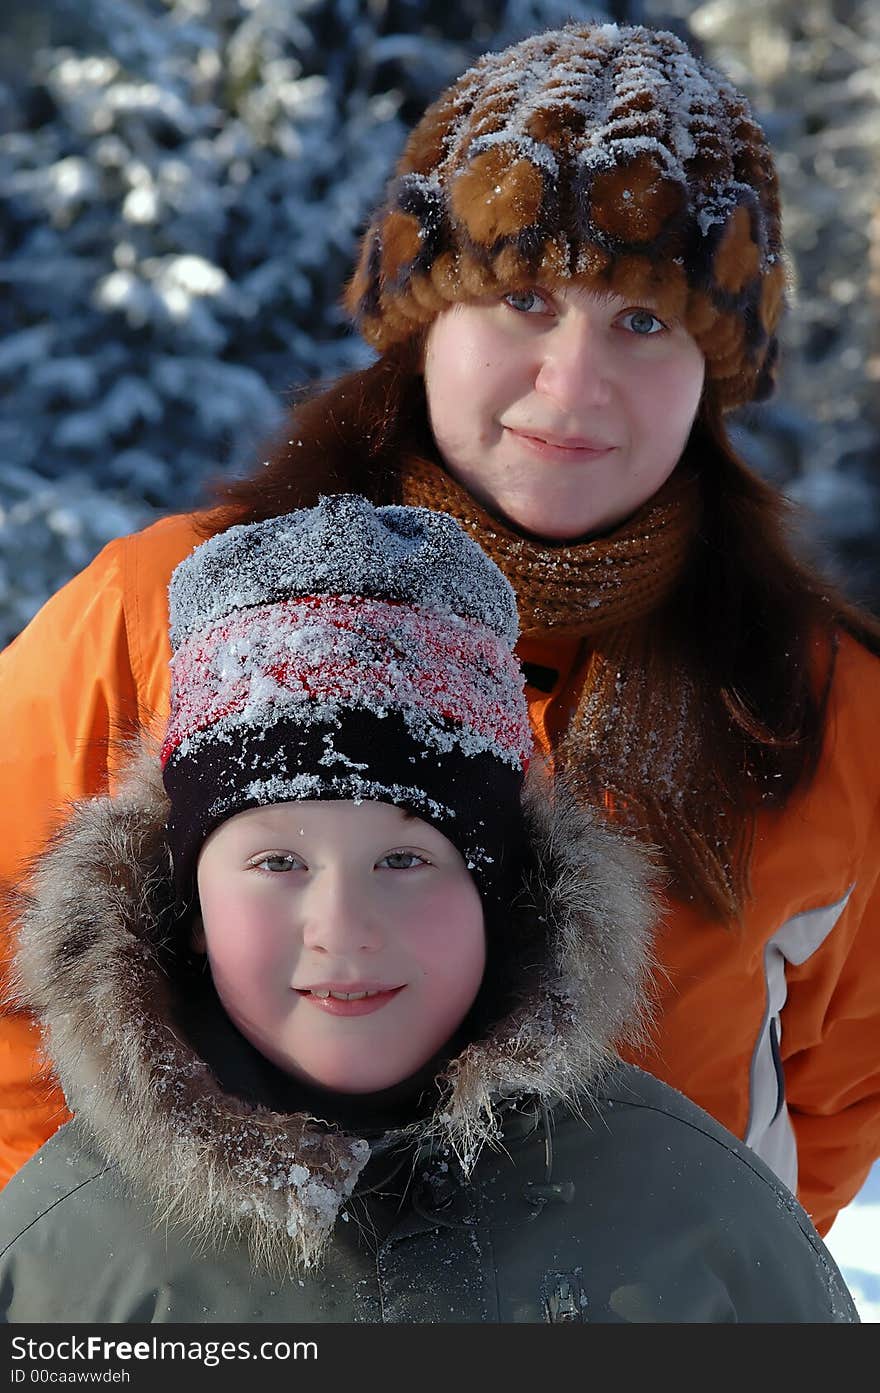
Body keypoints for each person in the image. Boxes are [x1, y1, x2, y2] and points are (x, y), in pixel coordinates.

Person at [0, 22, 877, 1241]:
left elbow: (838, 1099)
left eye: (644, 322)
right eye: (524, 297)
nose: (573, 386)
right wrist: (92, 1286)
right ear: (419, 318)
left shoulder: (820, 707)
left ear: (714, 369)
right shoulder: (158, 612)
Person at [0, 495, 857, 1323]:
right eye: (278, 861)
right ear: (185, 902)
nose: (341, 924)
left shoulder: (702, 1222)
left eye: (406, 858)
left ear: (502, 892)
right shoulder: (59, 1252)